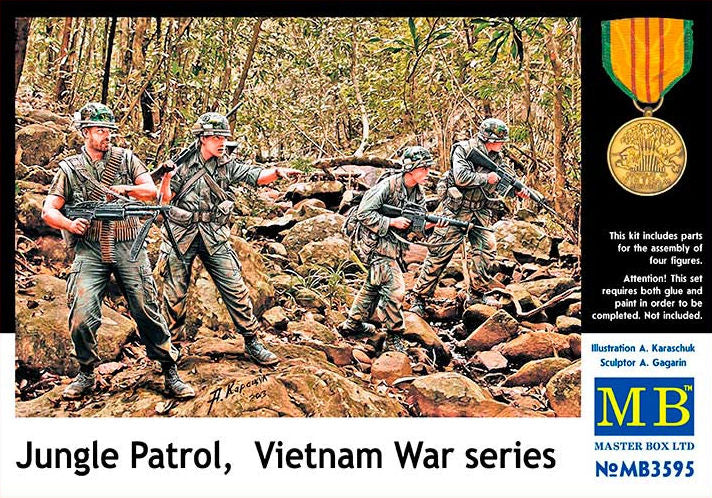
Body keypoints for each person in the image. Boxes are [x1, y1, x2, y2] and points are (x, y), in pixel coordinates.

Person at [42, 102, 195, 400]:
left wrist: (127, 190)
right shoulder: (70, 169)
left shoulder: (126, 160)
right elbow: (49, 210)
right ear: (86, 132)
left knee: (146, 309)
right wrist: (70, 224)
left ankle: (168, 368)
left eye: (109, 130)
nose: (107, 135)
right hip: (90, 248)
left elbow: (152, 192)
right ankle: (86, 371)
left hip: (129, 245)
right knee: (81, 315)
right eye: (100, 130)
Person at [157, 112, 300, 366]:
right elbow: (165, 200)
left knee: (235, 286)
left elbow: (255, 175)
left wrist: (277, 172)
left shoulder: (227, 164)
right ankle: (173, 346)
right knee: (174, 293)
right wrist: (167, 176)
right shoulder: (183, 164)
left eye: (224, 136)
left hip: (214, 234)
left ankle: (252, 340)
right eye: (215, 137)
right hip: (181, 234)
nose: (221, 141)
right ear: (202, 139)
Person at [409, 118, 528, 317]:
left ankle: (477, 293)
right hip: (456, 209)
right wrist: (485, 178)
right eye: (499, 140)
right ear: (487, 138)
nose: (502, 144)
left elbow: (503, 184)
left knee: (486, 248)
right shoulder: (464, 150)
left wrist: (517, 191)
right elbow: (461, 178)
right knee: (439, 252)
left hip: (480, 210)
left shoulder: (497, 158)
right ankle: (420, 297)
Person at [338, 146, 444, 353]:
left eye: (427, 167)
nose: (427, 172)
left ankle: (353, 324)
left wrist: (430, 225)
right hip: (374, 242)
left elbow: (416, 225)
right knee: (395, 290)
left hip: (393, 245)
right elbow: (364, 213)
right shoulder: (386, 186)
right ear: (410, 168)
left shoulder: (417, 194)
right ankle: (394, 336)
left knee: (373, 285)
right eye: (423, 168)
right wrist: (391, 222)